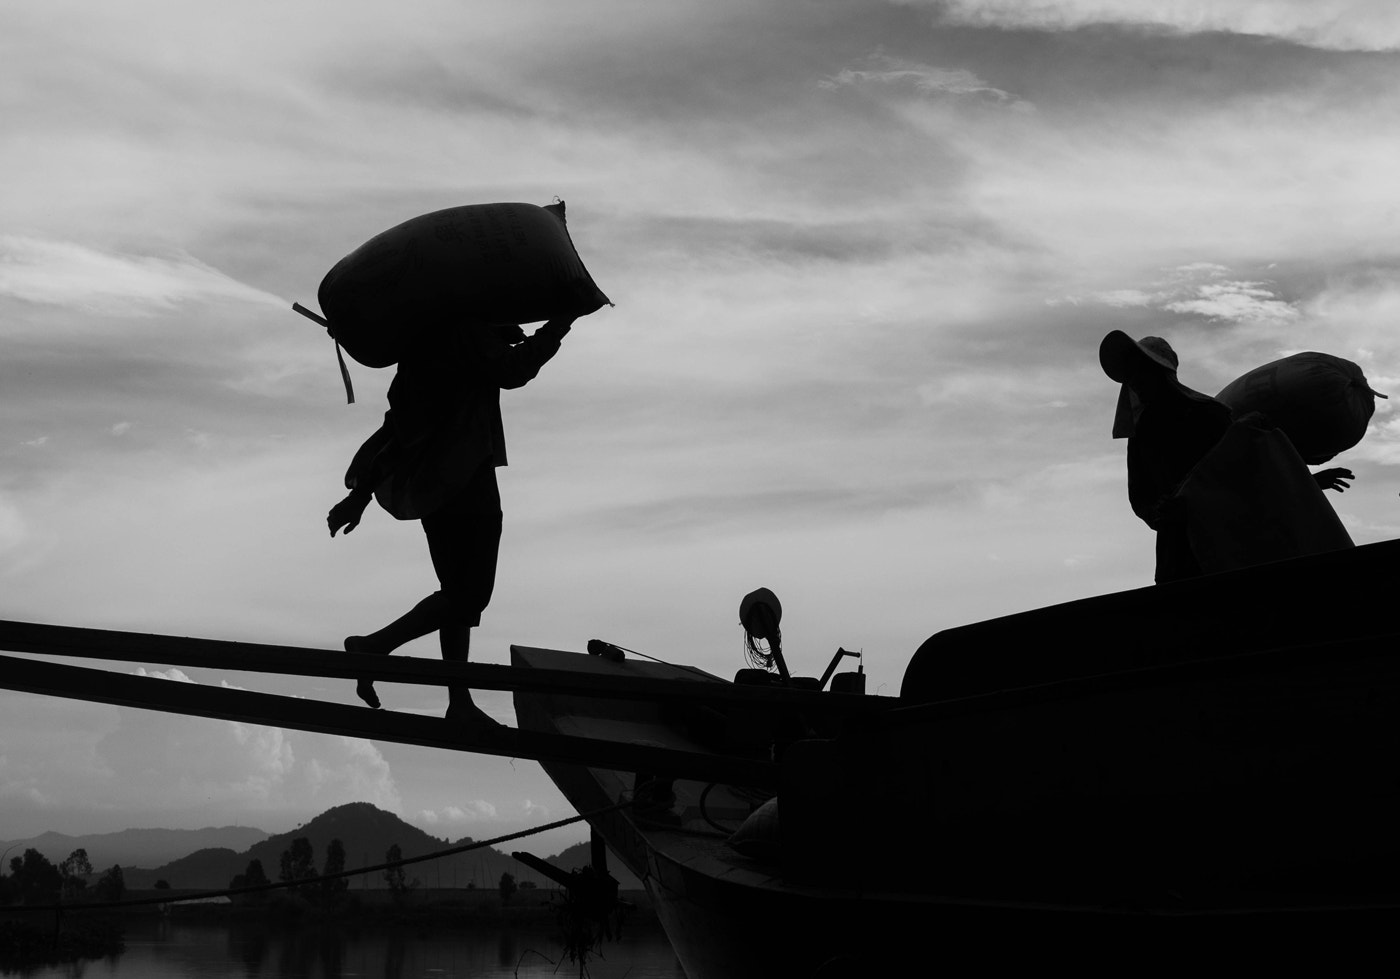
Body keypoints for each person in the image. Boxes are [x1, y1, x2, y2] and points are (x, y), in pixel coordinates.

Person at [327, 317, 577, 728]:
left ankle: (458, 700)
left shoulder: (425, 342)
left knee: (455, 597)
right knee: (469, 596)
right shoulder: (465, 329)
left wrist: (361, 494)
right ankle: (373, 646)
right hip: (466, 478)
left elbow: (396, 426)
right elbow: (512, 370)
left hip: (432, 486)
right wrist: (559, 325)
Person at [1100, 331, 1354, 582]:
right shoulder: (1142, 433)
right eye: (1131, 374)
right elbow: (1140, 496)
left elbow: (1251, 474)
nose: (1134, 381)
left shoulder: (1209, 415)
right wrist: (1160, 513)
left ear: (1160, 372)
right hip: (1178, 554)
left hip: (1230, 545)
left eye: (1139, 371)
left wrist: (1308, 481)